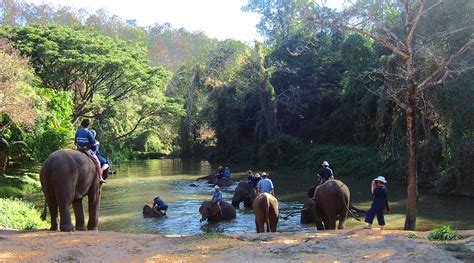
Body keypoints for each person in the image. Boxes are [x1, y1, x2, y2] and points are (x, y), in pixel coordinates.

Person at [74, 119, 105, 183]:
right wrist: (97, 143)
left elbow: (75, 142)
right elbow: (93, 143)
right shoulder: (89, 132)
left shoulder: (77, 131)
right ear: (88, 125)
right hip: (86, 150)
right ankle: (100, 177)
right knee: (97, 161)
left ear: (81, 124)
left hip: (78, 149)